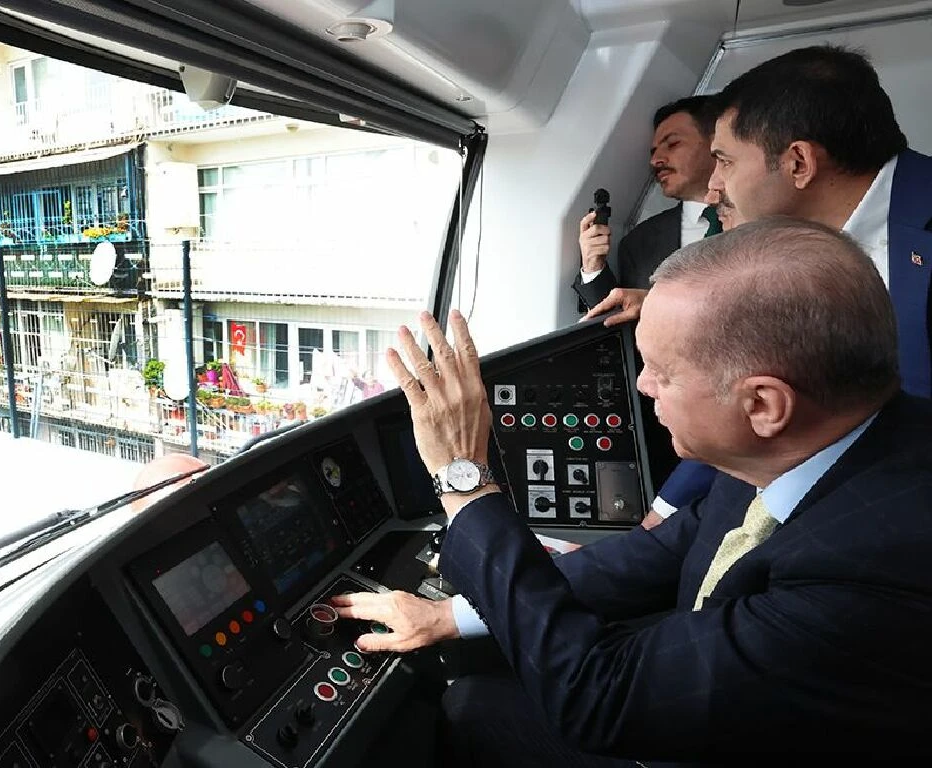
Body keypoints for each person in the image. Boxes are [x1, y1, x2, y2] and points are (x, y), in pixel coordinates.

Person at [335, 219, 932, 764]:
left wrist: (464, 476)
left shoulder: (876, 570)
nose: (642, 387)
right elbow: (659, 553)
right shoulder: (806, 452)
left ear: (763, 404)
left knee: (467, 709)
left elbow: (595, 701)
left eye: (662, 373)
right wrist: (451, 614)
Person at [585, 44, 932, 527]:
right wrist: (661, 516)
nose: (712, 189)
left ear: (798, 164)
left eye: (724, 161)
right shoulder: (788, 256)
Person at [572, 96, 720, 311]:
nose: (655, 161)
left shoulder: (768, 215)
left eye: (672, 144)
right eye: (653, 152)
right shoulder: (639, 243)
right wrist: (593, 268)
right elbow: (617, 323)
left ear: (717, 142)